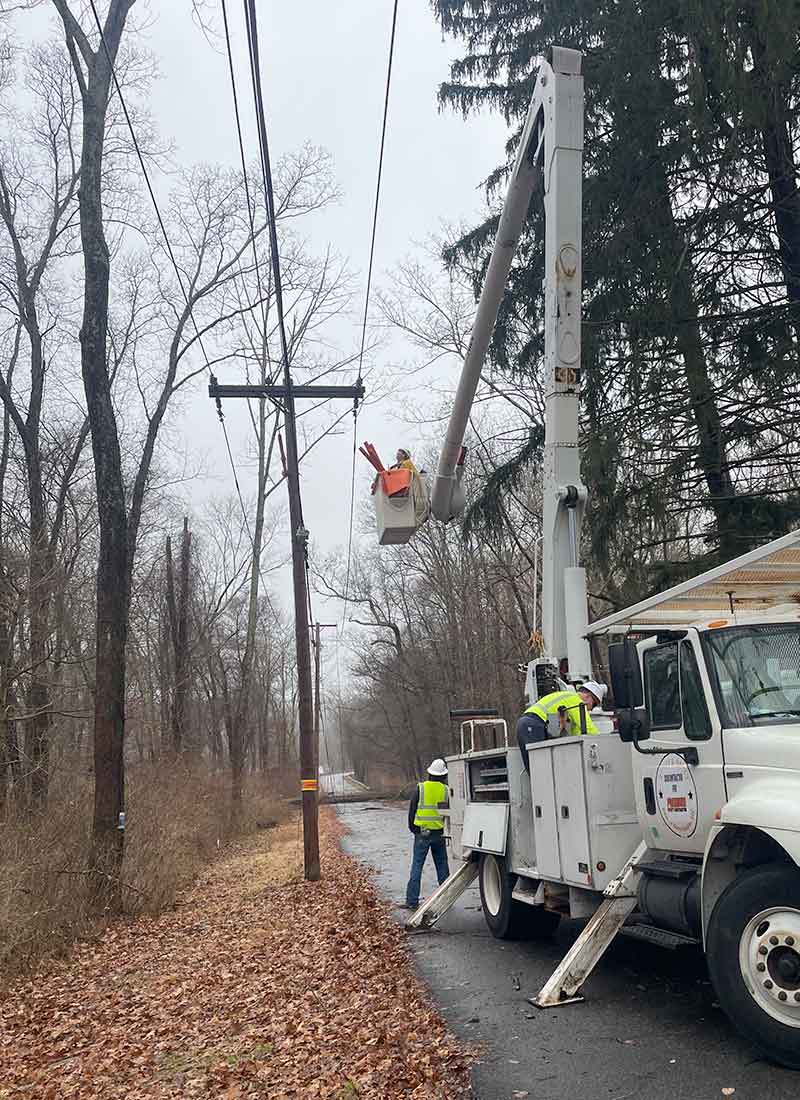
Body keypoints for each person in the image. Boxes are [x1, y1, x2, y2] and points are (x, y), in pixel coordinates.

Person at [516, 680, 607, 772]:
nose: (591, 709)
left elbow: (577, 731)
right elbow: (589, 729)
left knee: (533, 770)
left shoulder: (567, 698)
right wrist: (604, 745)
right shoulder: (575, 700)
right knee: (540, 769)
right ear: (588, 696)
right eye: (594, 704)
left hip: (526, 724)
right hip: (533, 724)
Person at [403, 758, 450, 910]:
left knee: (417, 866)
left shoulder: (421, 788)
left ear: (430, 773)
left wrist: (413, 829)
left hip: (422, 834)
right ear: (443, 775)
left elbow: (412, 810)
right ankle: (446, 898)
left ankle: (412, 901)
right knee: (442, 866)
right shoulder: (446, 790)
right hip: (439, 834)